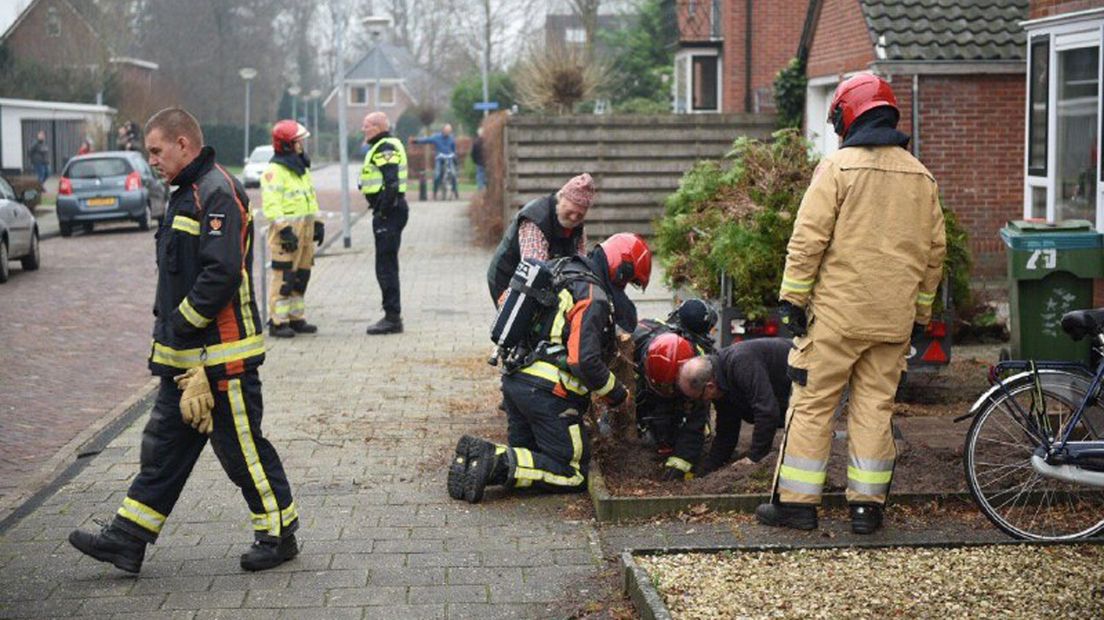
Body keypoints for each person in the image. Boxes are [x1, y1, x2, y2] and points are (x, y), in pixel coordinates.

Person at [67, 107, 300, 574]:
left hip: (222, 358)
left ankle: (278, 535)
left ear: (183, 145)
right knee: (163, 451)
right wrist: (172, 342)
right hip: (186, 362)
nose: (150, 159)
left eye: (155, 150)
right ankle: (128, 539)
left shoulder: (216, 192)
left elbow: (220, 274)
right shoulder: (185, 193)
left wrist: (178, 325)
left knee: (241, 451)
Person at [756, 73, 946, 534]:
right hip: (892, 321)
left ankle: (798, 505)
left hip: (837, 319)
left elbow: (807, 240)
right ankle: (867, 509)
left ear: (848, 115)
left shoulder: (838, 169)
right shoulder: (921, 177)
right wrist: (920, 314)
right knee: (875, 409)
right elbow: (934, 254)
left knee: (813, 403)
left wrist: (792, 300)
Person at [449, 233, 653, 503]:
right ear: (621, 267)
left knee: (532, 458)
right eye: (627, 279)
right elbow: (583, 360)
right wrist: (617, 394)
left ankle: (481, 462)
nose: (624, 287)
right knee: (572, 473)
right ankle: (492, 458)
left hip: (516, 383)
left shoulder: (561, 269)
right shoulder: (592, 296)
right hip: (548, 394)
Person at [677, 337, 793, 474]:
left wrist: (754, 457)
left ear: (710, 387)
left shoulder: (741, 363)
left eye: (698, 398)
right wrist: (704, 471)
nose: (700, 403)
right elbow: (727, 432)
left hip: (810, 374)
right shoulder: (719, 381)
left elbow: (766, 411)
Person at [632, 299, 719, 480]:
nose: (667, 391)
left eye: (671, 387)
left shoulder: (698, 366)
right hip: (642, 387)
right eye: (662, 386)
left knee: (690, 421)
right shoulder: (637, 337)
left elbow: (696, 420)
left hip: (687, 392)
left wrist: (682, 460)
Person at [487, 173, 594, 306]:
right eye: (571, 211)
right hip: (507, 277)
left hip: (542, 275)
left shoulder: (578, 226)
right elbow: (535, 272)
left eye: (580, 215)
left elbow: (580, 263)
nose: (574, 217)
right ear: (561, 198)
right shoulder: (535, 220)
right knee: (520, 321)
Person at [261, 120, 321, 338]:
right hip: (288, 232)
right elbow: (271, 204)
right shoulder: (275, 171)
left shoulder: (300, 168)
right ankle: (277, 321)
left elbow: (310, 197)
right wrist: (284, 230)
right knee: (284, 278)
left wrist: (318, 223)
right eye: (298, 141)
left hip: (305, 229)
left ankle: (296, 318)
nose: (302, 145)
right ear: (287, 144)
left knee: (301, 276)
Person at [359, 111, 409, 335]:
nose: (363, 129)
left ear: (378, 127)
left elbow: (391, 183)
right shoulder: (383, 145)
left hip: (390, 213)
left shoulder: (385, 148)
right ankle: (392, 315)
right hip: (391, 211)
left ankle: (392, 318)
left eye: (367, 126)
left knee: (386, 266)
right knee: (386, 264)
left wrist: (382, 211)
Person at [414, 123, 458, 200]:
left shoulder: (452, 138)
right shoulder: (437, 137)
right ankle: (435, 192)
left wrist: (454, 155)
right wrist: (417, 141)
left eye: (449, 131)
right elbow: (427, 140)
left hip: (449, 158)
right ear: (443, 130)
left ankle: (455, 191)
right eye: (447, 131)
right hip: (440, 158)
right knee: (437, 175)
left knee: (453, 174)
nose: (448, 133)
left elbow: (453, 149)